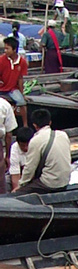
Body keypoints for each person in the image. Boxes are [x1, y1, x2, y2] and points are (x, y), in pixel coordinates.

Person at [14, 110, 70, 194]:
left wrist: (20, 185)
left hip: (50, 184)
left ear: (34, 125)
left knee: (19, 194)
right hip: (65, 181)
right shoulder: (63, 134)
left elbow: (30, 168)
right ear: (50, 122)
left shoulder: (35, 140)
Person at [0, 38, 23, 192]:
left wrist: (21, 93)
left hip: (12, 90)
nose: (5, 51)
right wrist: (7, 155)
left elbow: (20, 79)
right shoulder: (4, 105)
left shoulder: (21, 61)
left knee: (22, 103)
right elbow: (8, 136)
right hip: (5, 89)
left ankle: (25, 122)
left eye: (7, 48)